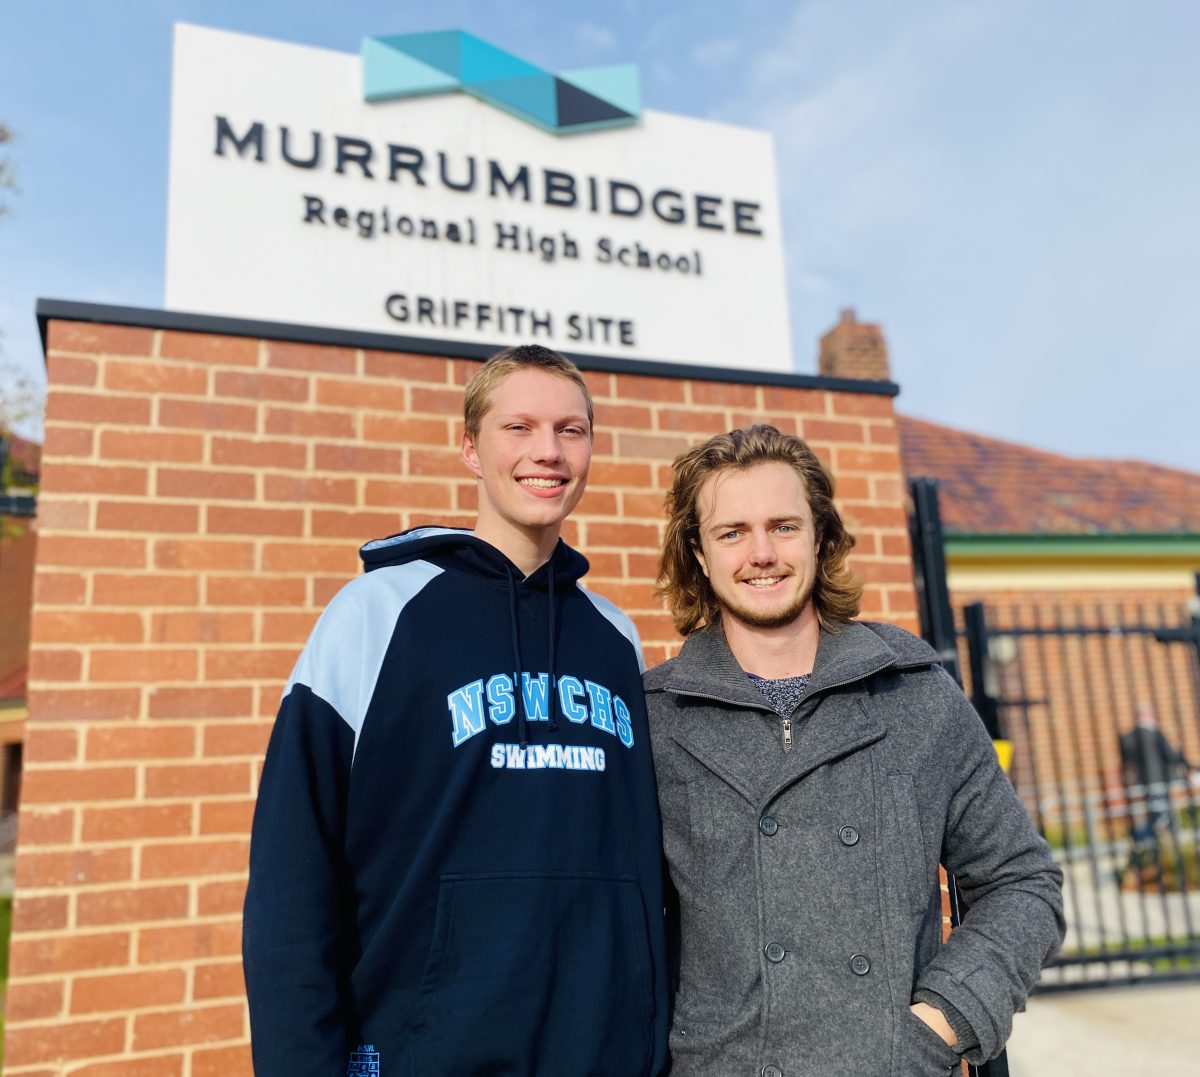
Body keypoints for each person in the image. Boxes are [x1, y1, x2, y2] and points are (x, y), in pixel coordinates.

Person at [243, 345, 668, 1077]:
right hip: (428, 1054)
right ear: (471, 449)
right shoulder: (376, 613)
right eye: (520, 427)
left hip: (609, 1055)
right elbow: (292, 878)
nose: (548, 451)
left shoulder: (615, 638)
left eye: (572, 430)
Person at [645, 424, 1064, 1076]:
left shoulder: (914, 694)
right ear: (698, 552)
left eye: (784, 526)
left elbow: (1022, 882)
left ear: (820, 534)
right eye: (732, 532)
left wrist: (936, 1026)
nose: (762, 552)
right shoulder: (656, 717)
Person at [1119, 702, 1195, 879]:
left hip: (1143, 783)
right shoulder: (1154, 733)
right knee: (1162, 816)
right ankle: (1140, 839)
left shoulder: (1130, 737)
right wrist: (1186, 761)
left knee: (1159, 815)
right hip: (1159, 782)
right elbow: (1170, 755)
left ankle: (1150, 846)